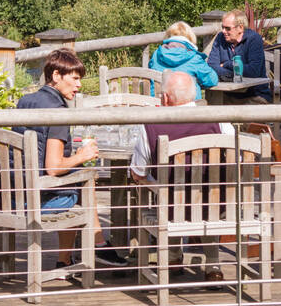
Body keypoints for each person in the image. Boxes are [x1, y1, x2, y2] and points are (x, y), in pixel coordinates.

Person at [15, 47, 121, 273]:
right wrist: (82, 156)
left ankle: (83, 251)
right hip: (39, 201)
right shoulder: (58, 111)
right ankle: (93, 246)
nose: (79, 85)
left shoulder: (24, 102)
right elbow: (53, 168)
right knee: (82, 185)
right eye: (74, 79)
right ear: (56, 76)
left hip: (14, 195)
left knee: (78, 179)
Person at [129, 69, 227, 282]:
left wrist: (148, 180)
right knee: (205, 195)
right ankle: (213, 266)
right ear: (194, 96)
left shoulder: (151, 126)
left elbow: (138, 172)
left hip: (171, 208)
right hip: (217, 206)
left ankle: (172, 258)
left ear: (164, 98)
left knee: (167, 193)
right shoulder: (219, 121)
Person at [208, 10, 270, 103]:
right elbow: (211, 65)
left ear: (240, 28)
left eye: (228, 28)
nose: (223, 31)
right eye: (222, 27)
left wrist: (226, 64)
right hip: (226, 94)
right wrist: (233, 75)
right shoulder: (220, 38)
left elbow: (254, 71)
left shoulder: (254, 39)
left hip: (255, 95)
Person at [148, 21, 219, 100]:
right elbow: (212, 80)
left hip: (157, 105)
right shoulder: (194, 58)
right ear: (190, 38)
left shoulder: (156, 55)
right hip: (187, 108)